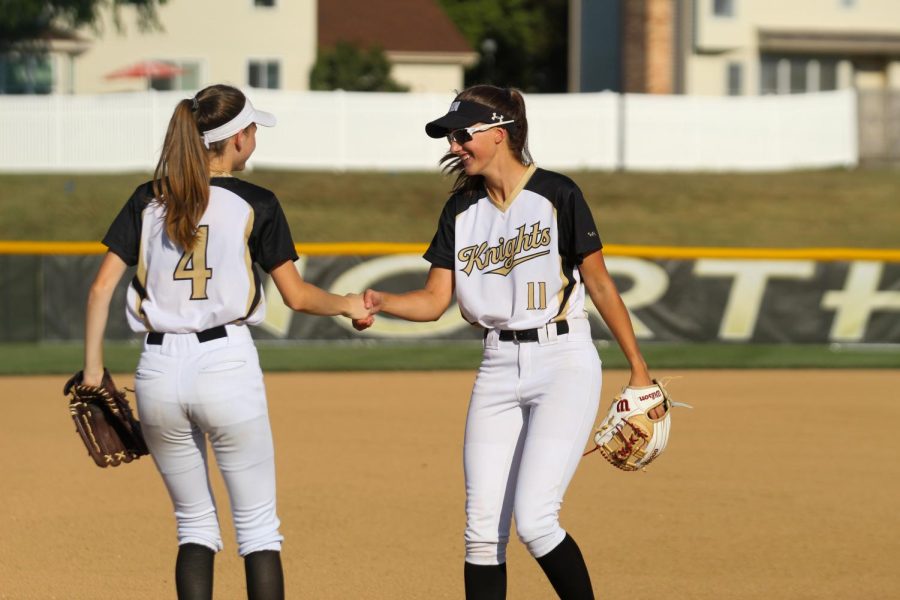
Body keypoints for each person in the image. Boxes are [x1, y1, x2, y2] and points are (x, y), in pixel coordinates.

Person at [352, 85, 662, 600]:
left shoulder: (558, 194)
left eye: (461, 135)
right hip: (497, 364)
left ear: (498, 134)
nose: (452, 146)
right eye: (450, 137)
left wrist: (638, 367)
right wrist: (383, 302)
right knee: (480, 532)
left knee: (537, 521)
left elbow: (601, 285)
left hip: (562, 359)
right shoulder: (460, 210)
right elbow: (433, 302)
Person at [81, 84, 370, 600]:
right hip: (225, 364)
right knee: (258, 529)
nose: (255, 137)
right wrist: (348, 304)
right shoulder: (256, 202)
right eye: (253, 129)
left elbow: (101, 288)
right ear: (236, 140)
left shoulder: (148, 197)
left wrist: (94, 372)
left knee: (194, 527)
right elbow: (298, 297)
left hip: (156, 373)